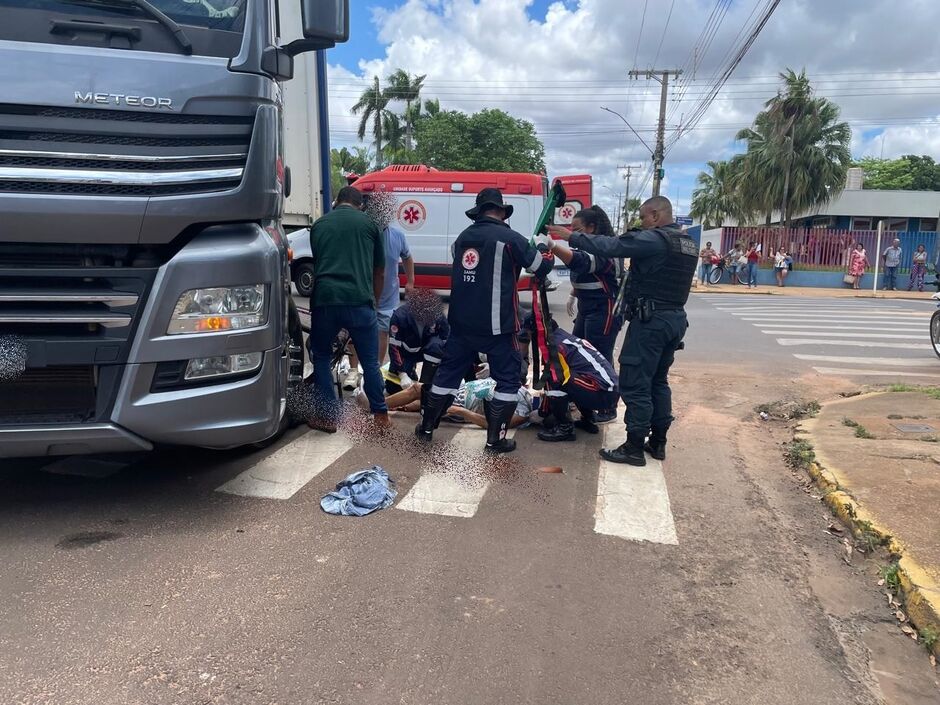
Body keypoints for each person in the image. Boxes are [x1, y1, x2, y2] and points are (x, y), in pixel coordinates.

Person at [551, 196, 696, 465]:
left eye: (642, 217)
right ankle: (658, 441)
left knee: (636, 383)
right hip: (675, 319)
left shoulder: (655, 239)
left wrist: (570, 237)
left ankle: (633, 447)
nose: (641, 222)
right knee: (658, 381)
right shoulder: (686, 242)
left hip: (651, 321)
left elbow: (614, 246)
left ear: (654, 215)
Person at [415, 187, 554, 453]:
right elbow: (541, 266)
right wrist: (542, 245)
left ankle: (426, 428)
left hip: (462, 324)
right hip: (498, 326)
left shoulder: (462, 240)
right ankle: (495, 440)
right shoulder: (511, 239)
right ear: (501, 211)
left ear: (478, 213)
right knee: (508, 381)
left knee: (447, 376)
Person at [306, 186, 388, 432]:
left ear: (336, 202)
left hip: (326, 300)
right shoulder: (370, 225)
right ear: (359, 205)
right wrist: (372, 302)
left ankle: (329, 417)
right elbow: (380, 271)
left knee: (321, 356)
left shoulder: (319, 225)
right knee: (370, 362)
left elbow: (320, 261)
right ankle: (381, 415)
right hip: (360, 302)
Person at [545, 205, 622, 423]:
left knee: (600, 354)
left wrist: (553, 246)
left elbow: (583, 263)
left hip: (604, 309)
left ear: (592, 227)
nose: (573, 234)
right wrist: (573, 292)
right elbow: (585, 273)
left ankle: (608, 407)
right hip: (588, 307)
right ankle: (584, 396)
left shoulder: (606, 248)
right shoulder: (589, 247)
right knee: (579, 351)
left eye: (577, 229)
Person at [524, 317, 620, 443]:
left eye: (529, 334)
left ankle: (565, 428)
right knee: (570, 377)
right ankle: (588, 419)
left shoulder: (555, 346)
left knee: (555, 377)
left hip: (602, 393)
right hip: (610, 391)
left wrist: (542, 412)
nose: (529, 339)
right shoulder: (563, 337)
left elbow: (553, 381)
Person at [386, 291, 450, 392]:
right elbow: (394, 348)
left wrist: (443, 371)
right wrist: (402, 374)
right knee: (393, 388)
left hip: (429, 352)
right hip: (406, 353)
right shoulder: (399, 317)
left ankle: (426, 382)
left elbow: (446, 342)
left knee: (436, 346)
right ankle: (410, 371)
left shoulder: (438, 316)